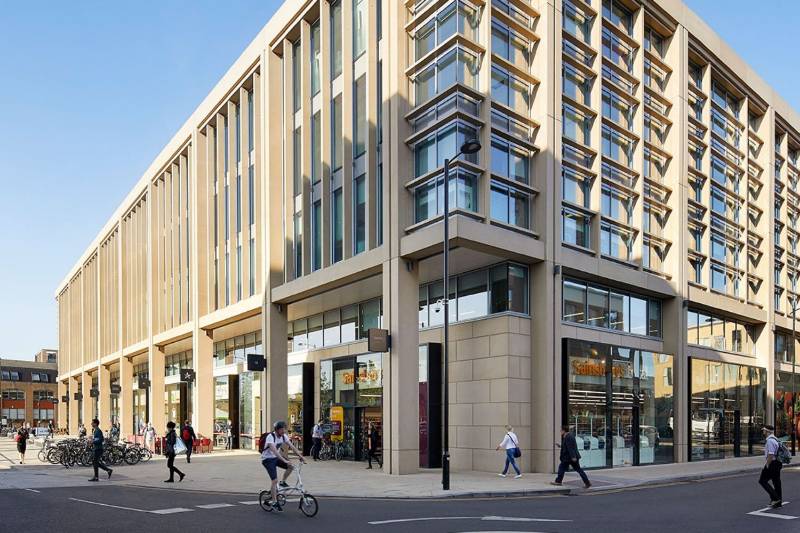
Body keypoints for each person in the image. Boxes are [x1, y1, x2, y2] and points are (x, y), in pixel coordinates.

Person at [260, 421, 305, 511]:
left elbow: (292, 447)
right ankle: (274, 502)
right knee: (274, 480)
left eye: (284, 429)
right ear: (277, 430)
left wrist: (301, 456)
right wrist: (284, 460)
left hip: (275, 458)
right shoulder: (270, 437)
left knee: (291, 467)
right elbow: (275, 451)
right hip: (267, 460)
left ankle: (283, 482)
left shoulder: (283, 436)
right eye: (282, 429)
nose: (284, 431)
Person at [759, 425, 784, 508]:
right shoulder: (775, 439)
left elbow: (771, 454)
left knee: (762, 481)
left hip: (772, 463)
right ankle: (778, 502)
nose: (763, 432)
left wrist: (767, 464)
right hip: (778, 462)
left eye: (764, 430)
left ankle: (776, 499)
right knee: (776, 482)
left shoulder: (770, 441)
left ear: (767, 431)